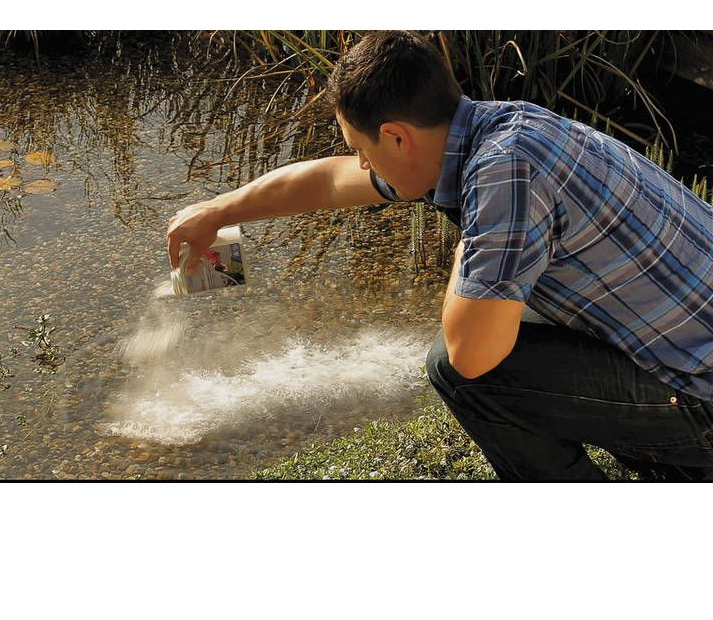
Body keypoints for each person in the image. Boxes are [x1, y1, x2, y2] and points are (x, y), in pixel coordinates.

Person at [166, 30, 713, 481]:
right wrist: (217, 210)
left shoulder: (503, 175)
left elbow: (472, 354)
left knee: (459, 370)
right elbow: (330, 181)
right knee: (511, 311)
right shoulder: (493, 128)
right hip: (692, 347)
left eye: (362, 150)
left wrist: (472, 242)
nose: (362, 166)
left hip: (702, 397)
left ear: (396, 138)